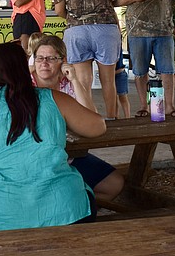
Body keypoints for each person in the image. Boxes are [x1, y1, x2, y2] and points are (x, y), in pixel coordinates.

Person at [0, 42, 106, 231]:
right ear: (26, 67)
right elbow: (98, 126)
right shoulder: (52, 98)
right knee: (86, 190)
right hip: (66, 211)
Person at [53, 0, 144, 119]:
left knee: (82, 81)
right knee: (108, 80)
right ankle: (111, 118)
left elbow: (58, 11)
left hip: (76, 30)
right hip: (105, 29)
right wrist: (107, 4)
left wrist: (75, 17)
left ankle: (88, 119)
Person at [30, 34, 124, 202]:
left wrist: (74, 79)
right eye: (39, 58)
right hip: (38, 158)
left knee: (114, 184)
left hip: (70, 154)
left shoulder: (68, 83)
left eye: (51, 58)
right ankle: (65, 203)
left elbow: (91, 118)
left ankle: (72, 204)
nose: (44, 63)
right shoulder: (26, 83)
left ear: (63, 60)